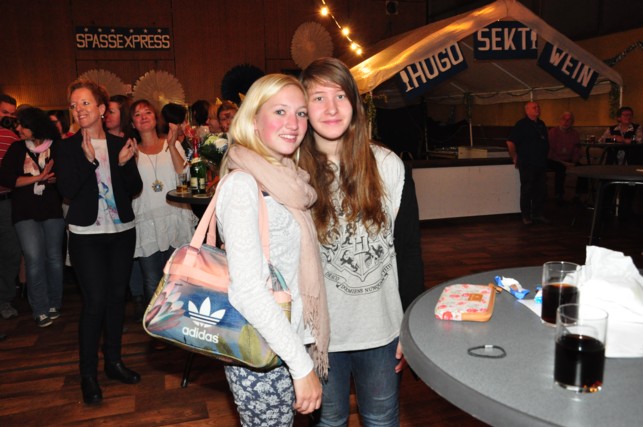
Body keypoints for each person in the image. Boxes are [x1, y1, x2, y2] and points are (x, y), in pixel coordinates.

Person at [298, 57, 406, 426]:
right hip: (318, 337)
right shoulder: (291, 174)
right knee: (329, 422)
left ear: (355, 105)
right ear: (303, 108)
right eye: (318, 98)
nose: (331, 108)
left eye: (340, 96)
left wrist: (410, 327)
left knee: (381, 419)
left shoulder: (388, 164)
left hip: (381, 329)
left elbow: (409, 250)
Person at [216, 73, 329, 426]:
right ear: (253, 119)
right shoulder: (243, 184)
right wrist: (301, 366)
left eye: (300, 113)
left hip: (286, 342)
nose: (293, 123)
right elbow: (248, 291)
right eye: (280, 111)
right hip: (262, 352)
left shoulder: (286, 178)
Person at [55, 79, 143, 405]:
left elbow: (134, 188)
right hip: (86, 236)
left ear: (102, 109)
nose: (78, 110)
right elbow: (67, 190)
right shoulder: (66, 147)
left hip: (121, 232)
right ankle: (88, 374)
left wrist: (122, 165)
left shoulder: (121, 143)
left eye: (85, 103)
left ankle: (114, 362)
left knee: (117, 299)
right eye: (74, 105)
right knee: (94, 303)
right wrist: (89, 161)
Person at [0, 107, 65, 327]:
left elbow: (66, 177)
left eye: (22, 124)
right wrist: (39, 177)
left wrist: (54, 179)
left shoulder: (56, 147)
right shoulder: (17, 148)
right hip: (24, 211)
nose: (18, 128)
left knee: (54, 258)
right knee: (34, 258)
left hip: (52, 209)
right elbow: (7, 179)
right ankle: (40, 308)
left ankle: (55, 303)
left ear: (34, 125)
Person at [129, 99, 195, 304]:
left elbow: (183, 173)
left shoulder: (172, 144)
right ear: (132, 124)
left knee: (176, 277)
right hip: (146, 220)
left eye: (147, 112)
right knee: (151, 279)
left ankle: (177, 318)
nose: (143, 117)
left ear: (156, 118)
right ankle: (154, 320)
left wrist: (172, 145)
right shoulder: (131, 151)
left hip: (174, 216)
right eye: (138, 115)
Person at [507, 101, 549, 225]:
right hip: (527, 163)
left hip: (541, 162)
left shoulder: (541, 124)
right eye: (534, 107)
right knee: (527, 188)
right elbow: (510, 142)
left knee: (541, 189)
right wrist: (514, 156)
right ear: (527, 110)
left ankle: (537, 213)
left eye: (538, 107)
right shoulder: (521, 124)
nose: (537, 109)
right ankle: (525, 215)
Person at [0, 93, 21, 321]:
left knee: (10, 252)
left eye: (12, 114)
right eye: (4, 112)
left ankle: (4, 300)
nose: (8, 117)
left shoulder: (14, 138)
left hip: (6, 202)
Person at [547, 111, 584, 201]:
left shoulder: (575, 134)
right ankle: (559, 195)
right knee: (560, 168)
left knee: (584, 169)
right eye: (564, 119)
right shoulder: (553, 132)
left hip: (569, 160)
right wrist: (562, 162)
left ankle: (579, 195)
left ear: (572, 122)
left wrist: (574, 162)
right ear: (560, 121)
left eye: (569, 120)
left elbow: (577, 150)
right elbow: (550, 151)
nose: (566, 122)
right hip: (554, 160)